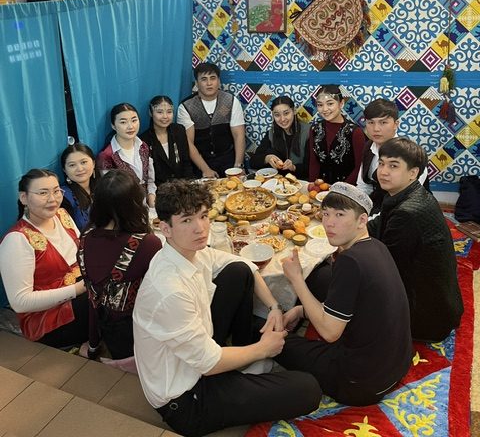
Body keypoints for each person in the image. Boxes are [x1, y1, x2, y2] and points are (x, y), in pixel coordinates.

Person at [133, 180, 320, 437]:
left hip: (200, 357)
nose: (200, 228)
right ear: (165, 228)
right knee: (308, 389)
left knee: (238, 271)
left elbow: (243, 264)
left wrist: (275, 307)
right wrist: (263, 349)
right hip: (187, 399)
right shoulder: (169, 290)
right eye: (187, 220)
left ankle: (241, 360)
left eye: (203, 216)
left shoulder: (189, 252)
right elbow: (208, 363)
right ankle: (244, 360)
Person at [277, 182, 412, 407]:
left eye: (340, 215)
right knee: (322, 281)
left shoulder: (350, 261)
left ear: (362, 220)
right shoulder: (377, 245)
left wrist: (296, 279)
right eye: (326, 214)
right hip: (397, 365)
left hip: (359, 383)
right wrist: (302, 310)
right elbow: (359, 305)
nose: (329, 223)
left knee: (277, 342)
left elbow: (330, 333)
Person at [371, 137, 463, 341]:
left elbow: (386, 267)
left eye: (393, 166)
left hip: (426, 316)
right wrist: (352, 228)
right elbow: (379, 223)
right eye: (381, 163)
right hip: (439, 301)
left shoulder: (408, 212)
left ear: (413, 173)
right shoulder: (410, 193)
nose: (383, 171)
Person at [77, 169, 162, 360]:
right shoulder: (146, 243)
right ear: (135, 203)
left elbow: (92, 298)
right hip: (141, 333)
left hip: (107, 330)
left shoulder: (86, 236)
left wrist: (93, 343)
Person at [0, 169, 88, 347]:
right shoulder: (17, 239)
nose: (52, 199)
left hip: (81, 292)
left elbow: (83, 254)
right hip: (48, 317)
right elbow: (20, 302)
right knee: (100, 303)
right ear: (24, 198)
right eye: (43, 193)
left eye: (56, 191)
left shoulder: (62, 215)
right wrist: (78, 289)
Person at [356, 98, 429, 216]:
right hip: (376, 206)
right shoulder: (369, 147)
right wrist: (355, 209)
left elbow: (406, 202)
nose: (376, 129)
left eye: (383, 123)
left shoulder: (410, 154)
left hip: (406, 213)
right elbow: (364, 186)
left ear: (396, 124)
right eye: (371, 122)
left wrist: (369, 222)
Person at [177, 62, 246, 178]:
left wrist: (238, 166)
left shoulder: (230, 101)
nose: (209, 83)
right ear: (197, 83)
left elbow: (239, 135)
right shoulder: (186, 106)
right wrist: (205, 170)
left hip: (228, 159)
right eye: (204, 79)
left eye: (213, 78)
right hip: (200, 163)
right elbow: (188, 143)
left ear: (219, 81)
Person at [97, 102, 156, 207]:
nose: (130, 126)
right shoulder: (106, 155)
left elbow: (150, 181)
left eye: (134, 120)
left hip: (146, 207)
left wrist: (152, 202)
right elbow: (110, 193)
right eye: (123, 122)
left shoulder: (143, 146)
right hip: (124, 209)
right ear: (113, 126)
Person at [308, 85, 364, 184]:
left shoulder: (355, 132)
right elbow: (314, 162)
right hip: (321, 187)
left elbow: (359, 168)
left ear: (341, 103)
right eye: (320, 105)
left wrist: (341, 189)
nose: (325, 109)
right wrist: (312, 185)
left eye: (330, 104)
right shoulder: (314, 129)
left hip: (347, 188)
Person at [249, 96, 310, 179]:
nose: (282, 119)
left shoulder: (308, 132)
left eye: (286, 113)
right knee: (270, 151)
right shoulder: (272, 132)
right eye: (277, 115)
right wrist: (267, 158)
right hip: (277, 181)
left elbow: (312, 167)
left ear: (294, 111)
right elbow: (253, 162)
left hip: (301, 181)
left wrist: (293, 167)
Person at [140, 95, 194, 185]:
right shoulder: (143, 140)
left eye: (169, 112)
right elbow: (147, 175)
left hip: (182, 186)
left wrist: (189, 185)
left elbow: (186, 163)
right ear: (150, 113)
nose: (165, 116)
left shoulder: (179, 130)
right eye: (160, 112)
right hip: (159, 189)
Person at [60, 142, 98, 231]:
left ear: (93, 163)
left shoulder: (104, 186)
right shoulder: (63, 197)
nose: (80, 169)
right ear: (64, 170)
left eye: (83, 162)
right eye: (72, 165)